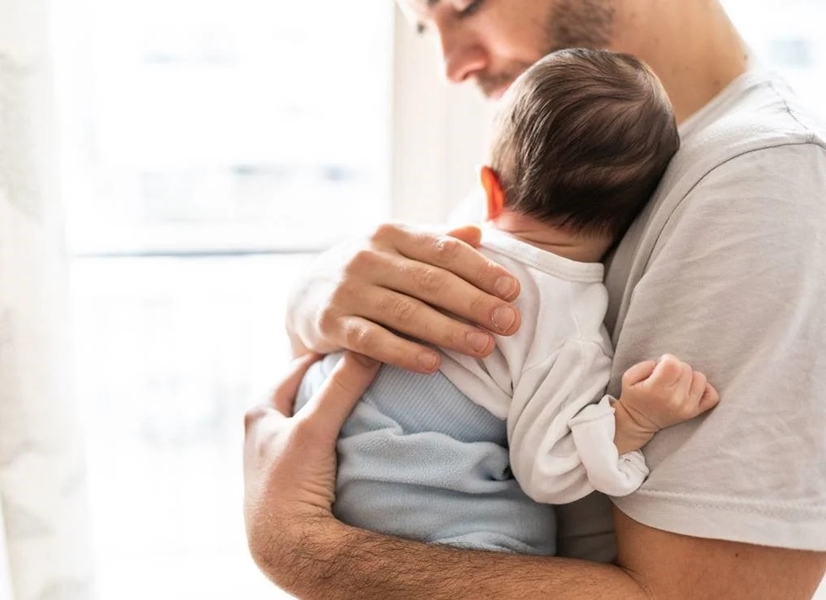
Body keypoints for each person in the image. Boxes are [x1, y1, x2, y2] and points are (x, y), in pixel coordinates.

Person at [244, 1, 826, 598]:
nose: (450, 64)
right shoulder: (560, 150)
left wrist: (297, 544)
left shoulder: (763, 184)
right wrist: (313, 299)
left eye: (464, 5)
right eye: (426, 26)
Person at [292, 48, 719, 556]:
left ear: (490, 190)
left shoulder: (431, 254)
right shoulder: (569, 331)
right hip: (430, 519)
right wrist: (633, 422)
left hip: (327, 469)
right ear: (634, 218)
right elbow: (550, 473)